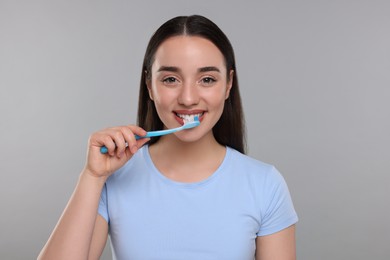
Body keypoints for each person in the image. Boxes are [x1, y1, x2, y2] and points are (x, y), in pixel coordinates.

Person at [38, 15, 298, 260]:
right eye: (171, 79)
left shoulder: (265, 185)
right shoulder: (114, 178)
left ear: (228, 84)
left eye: (207, 79)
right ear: (150, 85)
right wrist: (92, 177)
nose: (187, 98)